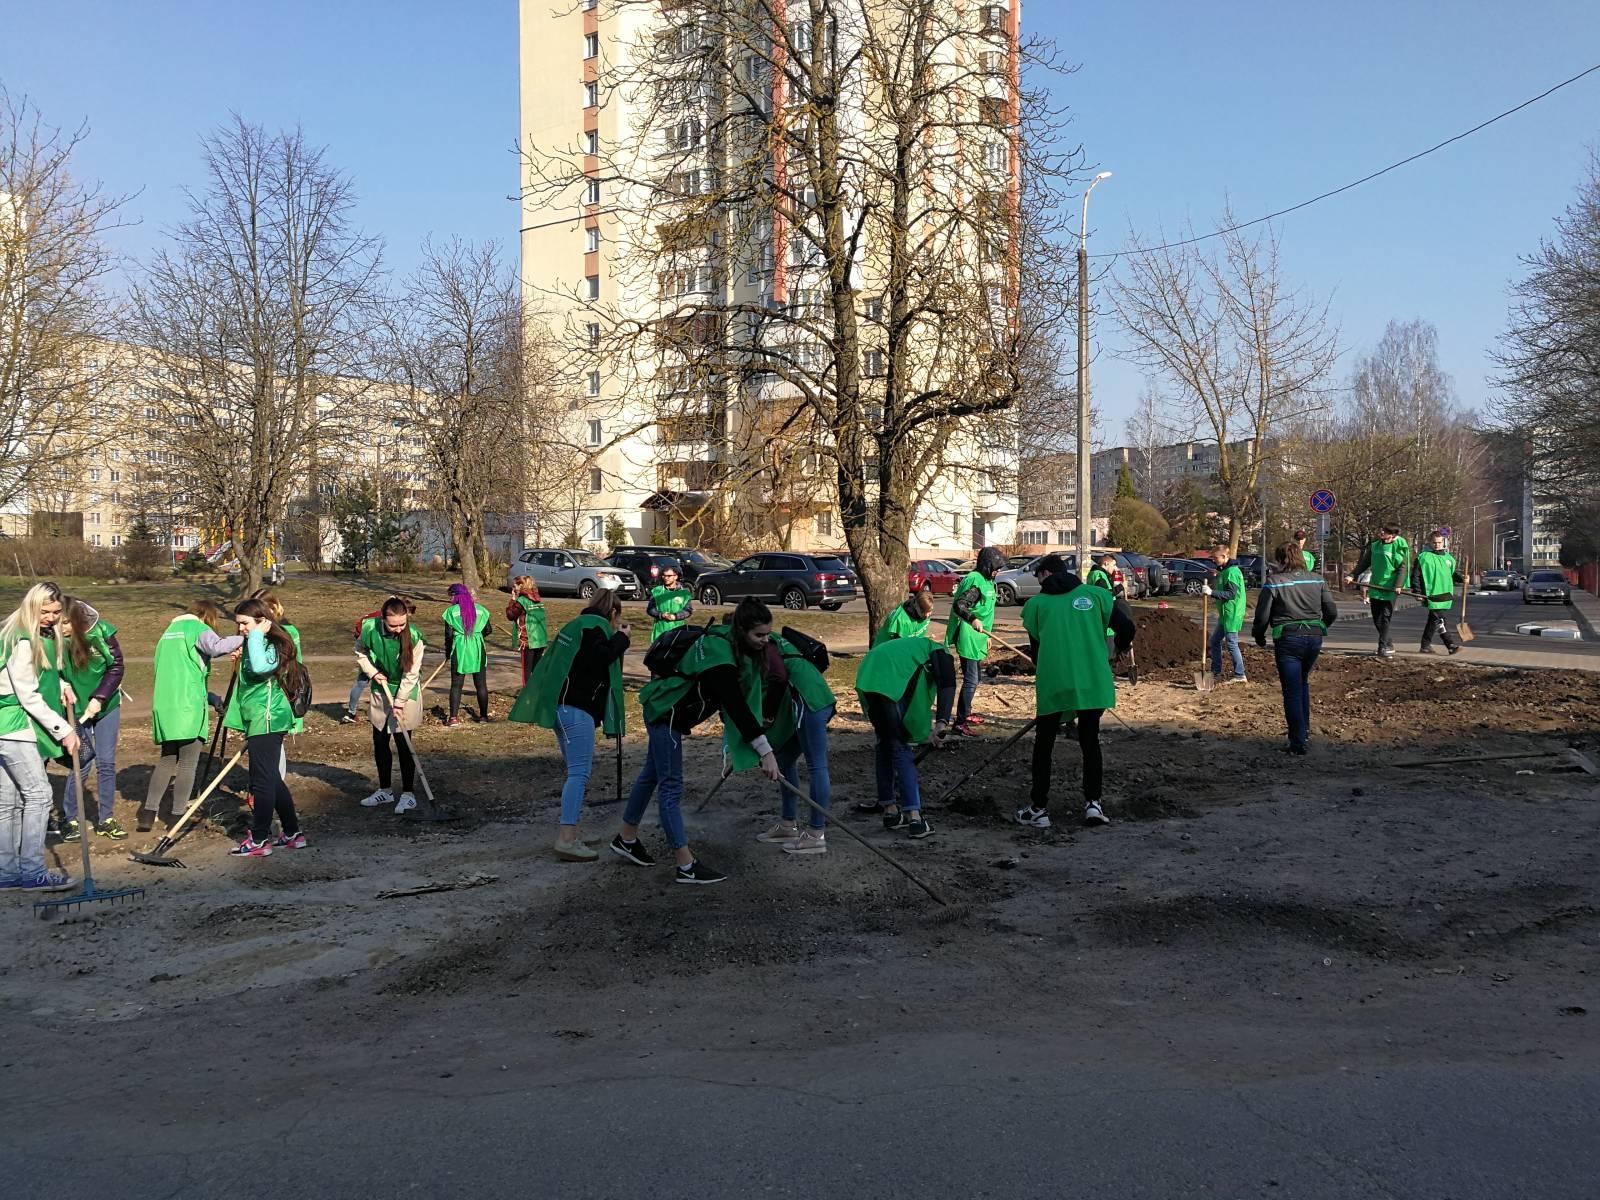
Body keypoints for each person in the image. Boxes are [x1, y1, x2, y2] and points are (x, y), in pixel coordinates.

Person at [616, 597, 781, 884]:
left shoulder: (727, 645)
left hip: (663, 709)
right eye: (759, 635)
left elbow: (734, 703)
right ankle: (685, 865)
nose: (765, 641)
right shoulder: (719, 657)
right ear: (741, 630)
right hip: (664, 712)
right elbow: (736, 705)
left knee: (651, 775)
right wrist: (765, 751)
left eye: (767, 634)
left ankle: (626, 838)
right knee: (671, 785)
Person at [509, 589, 629, 861]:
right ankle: (566, 839)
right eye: (616, 618)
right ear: (612, 613)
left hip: (562, 708)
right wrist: (622, 638)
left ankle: (572, 833)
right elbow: (601, 656)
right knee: (579, 774)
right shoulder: (595, 628)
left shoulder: (577, 625)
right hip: (576, 710)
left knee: (576, 772)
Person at [1017, 556, 1136, 828]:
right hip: (1093, 681)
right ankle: (1093, 804)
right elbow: (1127, 626)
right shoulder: (1096, 596)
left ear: (1045, 574)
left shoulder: (1037, 605)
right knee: (1090, 742)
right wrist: (1119, 648)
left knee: (1044, 745)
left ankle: (1039, 809)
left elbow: (1037, 652)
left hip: (1054, 682)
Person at [0, 583, 80, 892]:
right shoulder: (20, 639)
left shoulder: (19, 632)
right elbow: (27, 695)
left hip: (6, 726)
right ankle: (33, 872)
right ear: (31, 607)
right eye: (43, 611)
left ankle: (6, 872)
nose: (50, 617)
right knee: (38, 795)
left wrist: (61, 683)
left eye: (56, 612)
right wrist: (64, 729)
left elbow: (36, 676)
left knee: (8, 800)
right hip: (13, 726)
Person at [143, 601, 242, 832]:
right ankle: (177, 817)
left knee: (167, 760)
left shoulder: (167, 635)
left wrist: (213, 698)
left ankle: (147, 814)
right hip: (188, 710)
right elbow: (216, 647)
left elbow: (181, 678)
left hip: (165, 707)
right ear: (207, 617)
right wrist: (247, 637)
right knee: (188, 764)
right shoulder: (197, 629)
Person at [853, 633, 958, 838]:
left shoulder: (915, 650)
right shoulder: (940, 653)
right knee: (900, 747)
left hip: (869, 675)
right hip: (885, 681)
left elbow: (915, 694)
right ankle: (915, 818)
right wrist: (942, 723)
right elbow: (947, 685)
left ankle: (891, 812)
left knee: (885, 744)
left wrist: (930, 729)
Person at [229, 598, 306, 856]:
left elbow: (263, 668)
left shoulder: (274, 643)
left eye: (245, 624)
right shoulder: (259, 643)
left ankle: (260, 839)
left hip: (268, 717)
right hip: (259, 716)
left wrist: (255, 640)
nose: (241, 629)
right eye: (238, 624)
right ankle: (293, 833)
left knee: (261, 781)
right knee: (271, 778)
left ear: (262, 621)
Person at [754, 630, 836, 855]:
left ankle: (815, 835)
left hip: (809, 702)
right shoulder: (775, 640)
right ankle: (788, 825)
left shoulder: (765, 644)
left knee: (816, 766)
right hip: (815, 697)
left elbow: (778, 677)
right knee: (784, 760)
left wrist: (768, 715)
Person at [1253, 541, 1340, 755]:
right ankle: (1305, 730)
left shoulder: (1274, 582)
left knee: (1291, 691)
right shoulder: (1318, 579)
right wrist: (1320, 627)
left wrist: (1259, 637)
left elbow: (1262, 616)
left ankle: (1297, 741)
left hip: (1288, 639)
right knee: (1302, 683)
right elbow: (1331, 611)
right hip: (1314, 638)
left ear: (1282, 560)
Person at [56, 597, 127, 840]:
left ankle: (105, 818)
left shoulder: (101, 631)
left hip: (105, 705)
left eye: (66, 622)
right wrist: (61, 683)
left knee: (106, 762)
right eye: (58, 622)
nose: (62, 627)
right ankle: (70, 819)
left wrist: (100, 697)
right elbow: (47, 671)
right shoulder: (51, 641)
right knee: (82, 762)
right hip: (74, 708)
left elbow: (116, 666)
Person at [354, 597, 426, 814]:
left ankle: (408, 794)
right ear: (383, 619)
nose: (398, 629)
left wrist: (400, 702)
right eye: (393, 625)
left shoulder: (414, 637)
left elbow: (411, 674)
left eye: (402, 624)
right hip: (381, 686)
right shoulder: (369, 628)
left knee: (404, 742)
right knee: (379, 740)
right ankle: (385, 790)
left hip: (405, 689)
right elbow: (360, 651)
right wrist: (372, 672)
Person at [945, 546, 1004, 735]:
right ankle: (959, 723)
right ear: (987, 566)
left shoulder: (988, 582)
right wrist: (973, 619)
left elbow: (986, 611)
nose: (998, 571)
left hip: (979, 635)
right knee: (971, 680)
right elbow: (960, 606)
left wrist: (986, 635)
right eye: (996, 567)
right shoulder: (974, 581)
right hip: (968, 634)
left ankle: (967, 712)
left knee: (976, 677)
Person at [1348, 524, 1409, 658]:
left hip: (1390, 588)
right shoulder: (1375, 546)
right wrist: (1352, 575)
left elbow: (1402, 568)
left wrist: (1398, 585)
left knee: (1385, 617)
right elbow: (1364, 563)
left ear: (1393, 535)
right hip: (1375, 586)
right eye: (1382, 529)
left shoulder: (1397, 548)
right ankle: (1389, 643)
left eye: (1386, 531)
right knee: (1377, 619)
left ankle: (1382, 647)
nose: (1381, 532)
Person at [443, 582, 492, 727]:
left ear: (454, 596)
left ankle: (453, 718)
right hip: (477, 648)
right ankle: (483, 716)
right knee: (481, 684)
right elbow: (488, 630)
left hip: (460, 648)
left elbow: (448, 635)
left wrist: (447, 653)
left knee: (456, 685)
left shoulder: (451, 612)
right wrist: (477, 635)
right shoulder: (482, 610)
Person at [1412, 530, 1464, 656]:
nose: (1437, 545)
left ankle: (1425, 645)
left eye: (1439, 542)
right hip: (1432, 594)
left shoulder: (1448, 558)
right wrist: (1417, 592)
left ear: (1443, 542)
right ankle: (1450, 645)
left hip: (1445, 594)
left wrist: (1463, 579)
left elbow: (1452, 574)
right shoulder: (1423, 557)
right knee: (1440, 619)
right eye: (1434, 542)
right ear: (1430, 542)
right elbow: (1415, 576)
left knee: (1433, 621)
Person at [1202, 546, 1248, 685]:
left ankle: (1240, 675)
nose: (1214, 560)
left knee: (1232, 643)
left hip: (1232, 613)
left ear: (1224, 557)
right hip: (1225, 614)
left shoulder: (1232, 572)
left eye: (1216, 558)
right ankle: (1216, 671)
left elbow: (1231, 594)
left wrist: (1212, 593)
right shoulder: (1226, 571)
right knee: (1215, 641)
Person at [341, 605, 385, 723]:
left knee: (360, 683)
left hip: (368, 655)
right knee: (367, 682)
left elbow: (357, 633)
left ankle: (351, 712)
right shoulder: (378, 619)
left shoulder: (370, 617)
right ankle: (380, 713)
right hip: (373, 657)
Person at [505, 577, 549, 685]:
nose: (513, 588)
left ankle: (527, 696)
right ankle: (537, 691)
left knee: (527, 671)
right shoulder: (537, 599)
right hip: (540, 639)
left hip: (528, 640)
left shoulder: (522, 601)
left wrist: (513, 599)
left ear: (521, 586)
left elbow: (510, 615)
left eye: (514, 586)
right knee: (537, 669)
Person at [646, 566, 694, 644]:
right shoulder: (656, 591)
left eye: (669, 576)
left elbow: (688, 610)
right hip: (660, 632)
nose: (666, 578)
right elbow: (650, 609)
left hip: (677, 632)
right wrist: (661, 615)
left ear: (676, 577)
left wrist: (675, 616)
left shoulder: (684, 593)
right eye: (664, 575)